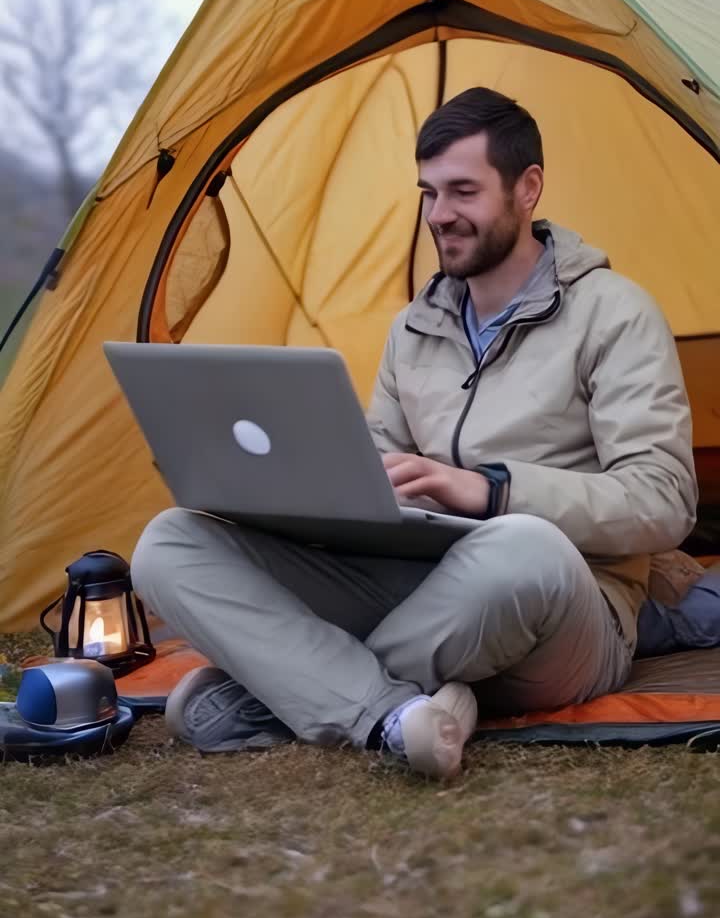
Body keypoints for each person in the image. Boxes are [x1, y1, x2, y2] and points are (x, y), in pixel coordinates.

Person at [131, 87, 697, 779]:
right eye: (428, 193)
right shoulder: (416, 326)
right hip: (427, 586)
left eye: (463, 191)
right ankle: (393, 713)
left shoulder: (615, 313)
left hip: (567, 604)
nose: (440, 216)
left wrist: (493, 493)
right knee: (170, 542)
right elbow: (375, 467)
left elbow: (664, 499)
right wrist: (277, 486)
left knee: (524, 548)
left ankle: (278, 693)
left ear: (528, 188)